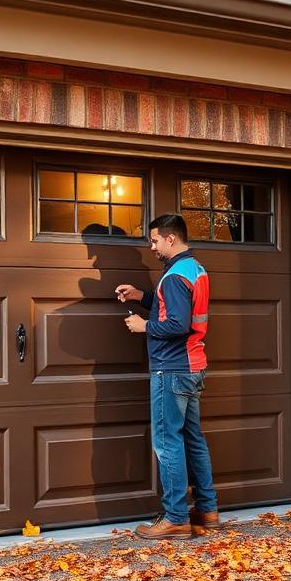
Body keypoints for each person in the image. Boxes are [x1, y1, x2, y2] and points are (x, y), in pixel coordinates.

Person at [115, 213, 218, 539]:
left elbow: (177, 323)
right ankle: (207, 510)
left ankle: (175, 518)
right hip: (191, 367)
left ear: (170, 239)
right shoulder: (194, 268)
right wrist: (141, 296)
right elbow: (173, 310)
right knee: (193, 440)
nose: (152, 246)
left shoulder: (174, 276)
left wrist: (143, 325)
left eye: (155, 240)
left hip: (171, 369)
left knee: (167, 442)